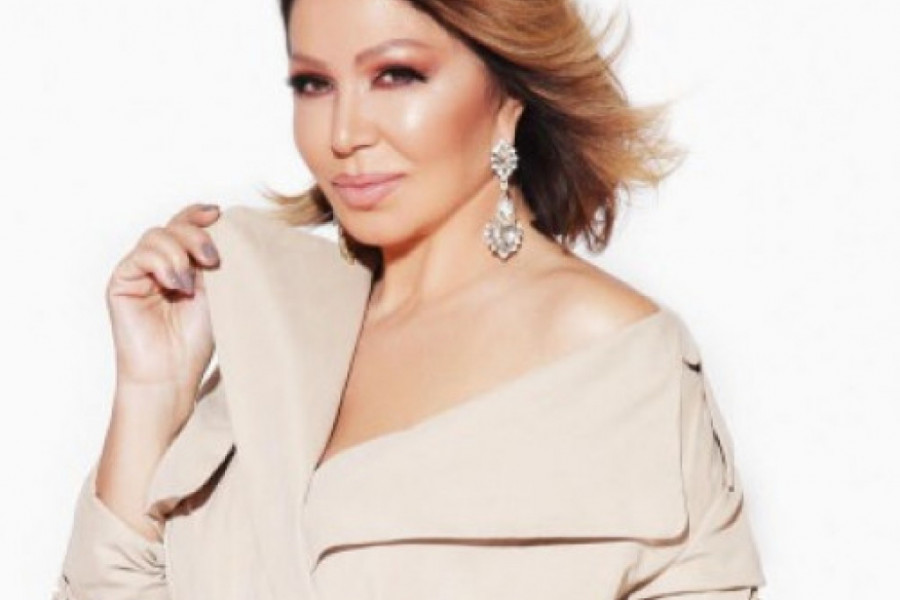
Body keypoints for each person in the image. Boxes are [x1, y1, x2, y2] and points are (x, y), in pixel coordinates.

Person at [53, 0, 766, 598]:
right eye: (313, 84)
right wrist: (154, 390)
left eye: (396, 75)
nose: (344, 134)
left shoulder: (614, 356)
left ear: (508, 95)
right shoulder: (275, 331)